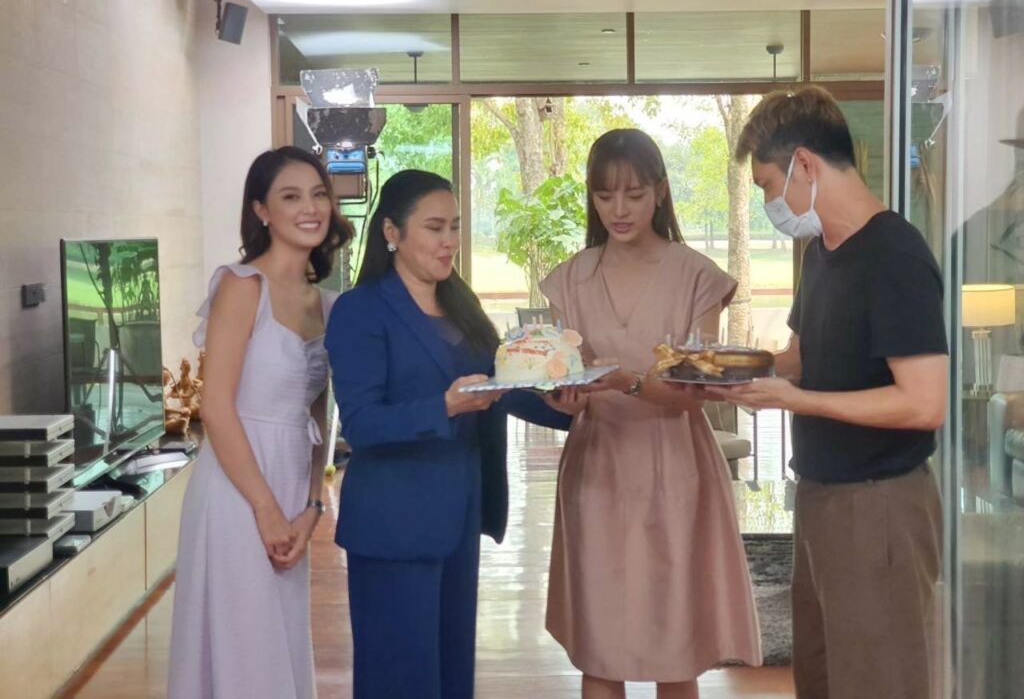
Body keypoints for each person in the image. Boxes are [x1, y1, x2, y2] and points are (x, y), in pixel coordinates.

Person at [715, 86, 948, 699]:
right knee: (822, 676)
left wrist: (798, 401)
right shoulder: (822, 251)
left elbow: (924, 402)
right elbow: (805, 356)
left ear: (805, 165)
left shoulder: (894, 255)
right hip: (821, 494)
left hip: (880, 506)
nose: (769, 203)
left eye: (768, 185)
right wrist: (729, 370)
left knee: (878, 680)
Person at [325, 169, 571, 699]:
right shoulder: (359, 310)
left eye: (455, 226)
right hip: (393, 525)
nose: (449, 241)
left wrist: (567, 404)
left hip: (459, 516)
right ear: (391, 232)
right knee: (400, 681)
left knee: (451, 674)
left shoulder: (462, 305)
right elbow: (362, 424)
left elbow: (500, 386)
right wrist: (444, 406)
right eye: (435, 228)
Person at [540, 129, 762, 699]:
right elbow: (563, 377)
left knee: (674, 644)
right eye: (605, 195)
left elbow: (695, 391)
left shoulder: (696, 276)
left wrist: (628, 381)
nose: (619, 209)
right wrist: (563, 396)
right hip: (597, 467)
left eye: (634, 194)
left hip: (675, 463)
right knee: (599, 646)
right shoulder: (570, 278)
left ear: (660, 193)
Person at [168, 146, 354, 699]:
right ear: (262, 211)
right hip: (236, 488)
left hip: (292, 487)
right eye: (291, 196)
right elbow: (216, 407)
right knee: (243, 644)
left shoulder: (329, 305)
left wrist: (312, 505)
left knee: (278, 643)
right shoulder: (241, 285)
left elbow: (317, 412)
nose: (310, 208)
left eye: (318, 194)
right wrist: (266, 509)